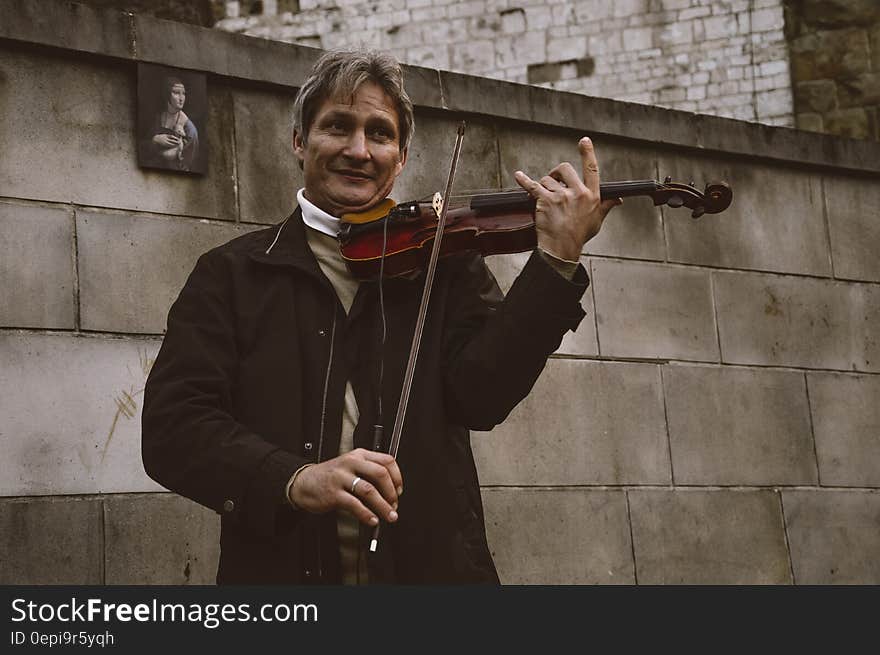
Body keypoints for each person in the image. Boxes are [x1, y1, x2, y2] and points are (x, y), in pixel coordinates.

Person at [141, 49, 620, 584]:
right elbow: (172, 429)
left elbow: (482, 397)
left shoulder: (443, 262)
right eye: (337, 127)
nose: (358, 150)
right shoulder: (230, 274)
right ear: (300, 141)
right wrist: (293, 479)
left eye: (380, 133)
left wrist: (554, 262)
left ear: (402, 156)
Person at [143, 77, 199, 171]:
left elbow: (187, 162)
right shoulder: (158, 118)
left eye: (183, 93)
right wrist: (155, 139)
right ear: (167, 94)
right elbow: (143, 148)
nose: (181, 98)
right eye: (176, 93)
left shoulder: (190, 129)